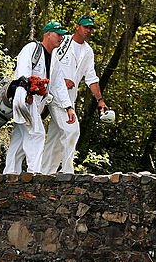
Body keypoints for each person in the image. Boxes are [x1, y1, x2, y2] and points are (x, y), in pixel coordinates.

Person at [4, 21, 76, 175]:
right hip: (24, 99)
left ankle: (10, 174)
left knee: (19, 140)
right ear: (47, 34)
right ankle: (35, 174)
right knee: (37, 134)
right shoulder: (32, 49)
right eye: (58, 35)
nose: (61, 38)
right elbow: (23, 72)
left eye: (63, 35)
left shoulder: (54, 58)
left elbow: (58, 85)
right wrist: (26, 92)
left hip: (33, 103)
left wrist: (68, 107)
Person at [42, 15, 109, 175]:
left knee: (55, 136)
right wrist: (58, 79)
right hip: (55, 93)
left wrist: (100, 100)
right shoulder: (62, 41)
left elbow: (91, 78)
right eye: (85, 26)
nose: (88, 30)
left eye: (90, 28)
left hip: (69, 99)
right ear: (77, 27)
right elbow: (47, 59)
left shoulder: (88, 51)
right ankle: (67, 172)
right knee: (72, 130)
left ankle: (44, 173)